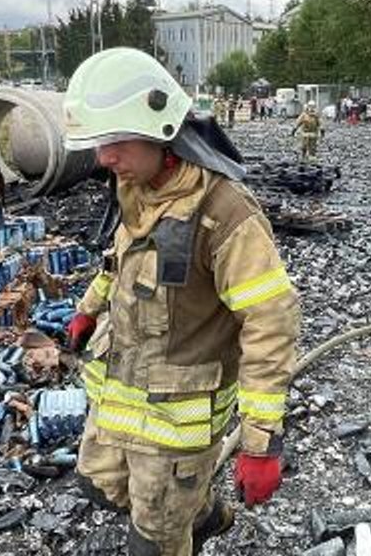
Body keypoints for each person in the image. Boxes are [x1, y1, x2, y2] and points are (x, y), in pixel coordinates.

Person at [60, 48, 300, 556]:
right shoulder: (136, 186)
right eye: (101, 142)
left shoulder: (224, 214)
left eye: (116, 141)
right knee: (96, 486)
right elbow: (118, 258)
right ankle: (203, 513)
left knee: (153, 544)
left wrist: (260, 442)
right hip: (119, 397)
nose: (104, 157)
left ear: (161, 131)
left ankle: (181, 519)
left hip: (176, 424)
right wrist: (89, 306)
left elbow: (270, 321)